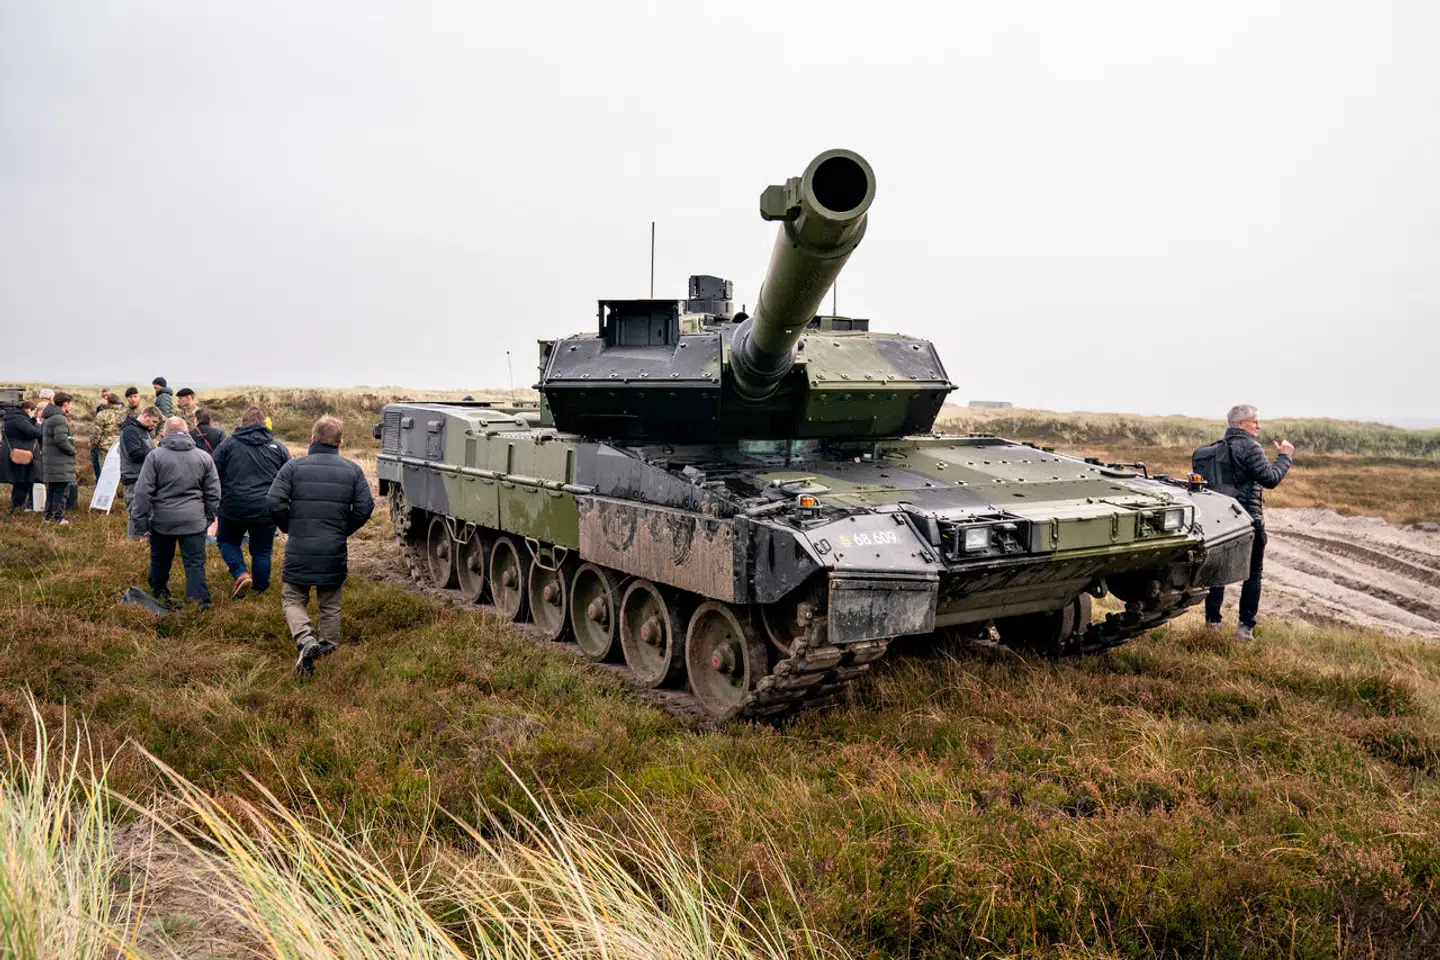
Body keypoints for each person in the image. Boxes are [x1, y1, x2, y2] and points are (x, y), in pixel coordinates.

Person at [267, 415, 374, 675]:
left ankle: (305, 640)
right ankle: (327, 648)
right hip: (333, 548)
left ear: (312, 438)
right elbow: (365, 507)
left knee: (293, 598)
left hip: (299, 546)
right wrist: (342, 529)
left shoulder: (293, 468)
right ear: (341, 442)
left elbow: (273, 502)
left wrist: (289, 526)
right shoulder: (353, 470)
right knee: (330, 603)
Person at [1203, 404, 1294, 642]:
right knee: (1253, 574)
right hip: (1248, 520)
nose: (1258, 426)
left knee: (1218, 574)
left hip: (1219, 520)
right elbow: (1270, 479)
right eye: (1255, 421)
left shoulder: (1215, 448)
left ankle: (1212, 622)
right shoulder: (1250, 447)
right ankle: (1244, 629)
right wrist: (1285, 457)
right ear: (1241, 424)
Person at [131, 416, 220, 609]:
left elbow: (142, 491)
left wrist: (140, 523)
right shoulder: (204, 457)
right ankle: (200, 604)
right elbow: (214, 493)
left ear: (165, 433)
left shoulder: (155, 456)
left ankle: (159, 593)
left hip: (162, 520)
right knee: (195, 563)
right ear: (187, 432)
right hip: (194, 521)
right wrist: (208, 518)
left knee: (160, 560)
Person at [212, 405, 289, 599]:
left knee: (226, 541)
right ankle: (260, 589)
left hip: (232, 506)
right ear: (264, 423)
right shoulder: (278, 447)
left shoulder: (228, 445)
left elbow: (213, 471)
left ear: (242, 423)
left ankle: (240, 573)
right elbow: (289, 476)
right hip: (265, 508)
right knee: (262, 549)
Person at [118, 405, 162, 537]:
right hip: (133, 478)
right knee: (135, 513)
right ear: (145, 416)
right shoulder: (130, 430)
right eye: (153, 421)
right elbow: (134, 453)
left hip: (143, 477)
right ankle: (133, 544)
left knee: (146, 513)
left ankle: (143, 543)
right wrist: (156, 452)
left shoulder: (144, 430)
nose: (154, 426)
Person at [40, 392, 77, 524]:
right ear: (65, 404)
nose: (71, 406)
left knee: (53, 490)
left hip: (51, 462)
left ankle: (48, 517)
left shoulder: (49, 418)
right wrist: (73, 450)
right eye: (70, 404)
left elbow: (65, 437)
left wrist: (71, 438)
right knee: (61, 491)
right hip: (60, 462)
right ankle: (57, 518)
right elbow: (61, 440)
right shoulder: (59, 419)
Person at [1, 400, 42, 514]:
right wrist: (39, 425)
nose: (33, 415)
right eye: (33, 412)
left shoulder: (13, 417)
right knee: (22, 482)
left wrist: (33, 420)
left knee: (19, 482)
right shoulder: (20, 419)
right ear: (29, 410)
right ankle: (17, 508)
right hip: (21, 455)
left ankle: (17, 507)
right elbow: (34, 432)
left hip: (14, 453)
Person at [90, 392, 125, 480]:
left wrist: (93, 446)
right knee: (118, 474)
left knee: (105, 474)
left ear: (108, 402)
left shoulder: (102, 414)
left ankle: (106, 493)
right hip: (120, 448)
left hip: (104, 449)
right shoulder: (124, 414)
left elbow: (96, 433)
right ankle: (119, 493)